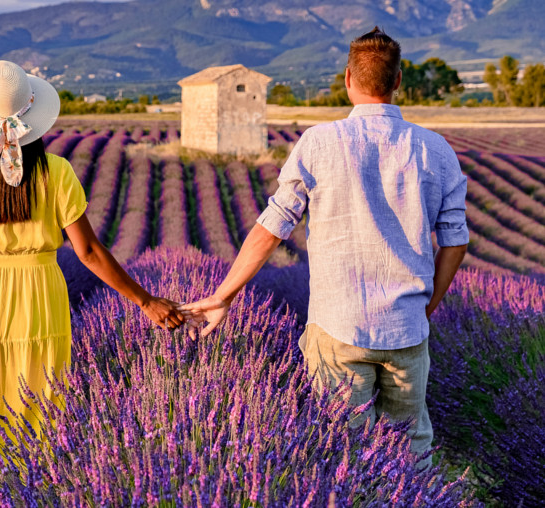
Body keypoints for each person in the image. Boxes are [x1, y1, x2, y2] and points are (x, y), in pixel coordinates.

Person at [181, 27, 469, 468]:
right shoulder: (437, 150)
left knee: (340, 456)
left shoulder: (319, 142)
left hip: (339, 328)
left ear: (348, 80)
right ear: (397, 83)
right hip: (407, 329)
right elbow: (455, 241)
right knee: (411, 454)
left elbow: (271, 228)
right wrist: (428, 304)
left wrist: (224, 296)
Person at [0, 60, 183, 467]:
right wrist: (145, 301)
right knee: (37, 393)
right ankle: (36, 483)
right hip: (38, 294)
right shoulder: (55, 172)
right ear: (32, 118)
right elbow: (88, 252)